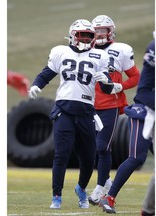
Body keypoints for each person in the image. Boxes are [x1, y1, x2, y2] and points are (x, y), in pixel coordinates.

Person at [28, 19, 116, 209]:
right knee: (62, 154)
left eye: (89, 35)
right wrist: (36, 84)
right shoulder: (60, 52)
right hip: (64, 111)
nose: (85, 38)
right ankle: (56, 196)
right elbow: (47, 73)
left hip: (86, 112)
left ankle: (81, 188)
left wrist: (106, 81)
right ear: (72, 35)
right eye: (82, 35)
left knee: (88, 158)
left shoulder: (99, 56)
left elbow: (108, 90)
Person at [88, 15, 140, 206]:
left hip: (110, 105)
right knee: (91, 147)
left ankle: (101, 186)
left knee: (103, 147)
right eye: (97, 30)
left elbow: (136, 77)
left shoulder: (121, 50)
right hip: (89, 105)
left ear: (110, 31)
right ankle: (106, 180)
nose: (100, 34)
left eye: (103, 30)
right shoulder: (86, 50)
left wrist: (121, 86)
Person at [99, 37, 155, 214]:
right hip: (144, 112)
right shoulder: (154, 50)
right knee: (137, 157)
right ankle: (109, 197)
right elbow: (143, 91)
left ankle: (149, 209)